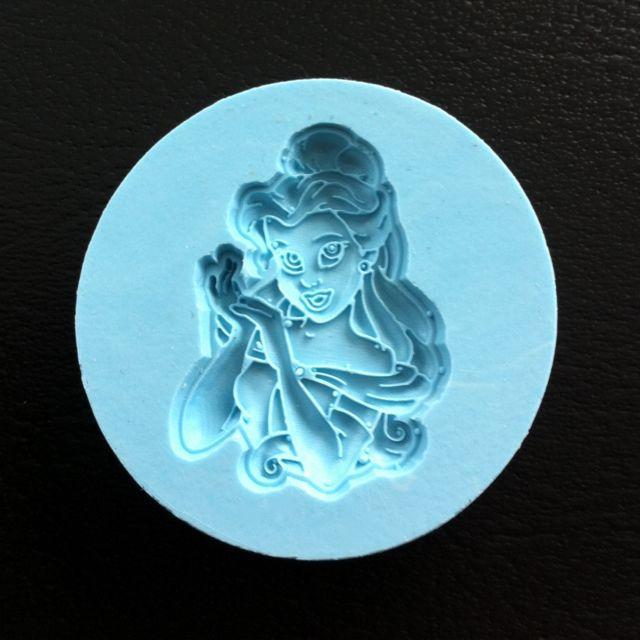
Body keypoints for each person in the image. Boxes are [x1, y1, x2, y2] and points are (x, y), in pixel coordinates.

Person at [170, 123, 449, 497]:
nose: (308, 280)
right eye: (290, 260)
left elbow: (327, 472)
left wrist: (282, 360)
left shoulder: (374, 357)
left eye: (329, 253)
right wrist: (240, 336)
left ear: (364, 254)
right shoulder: (266, 324)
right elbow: (196, 434)